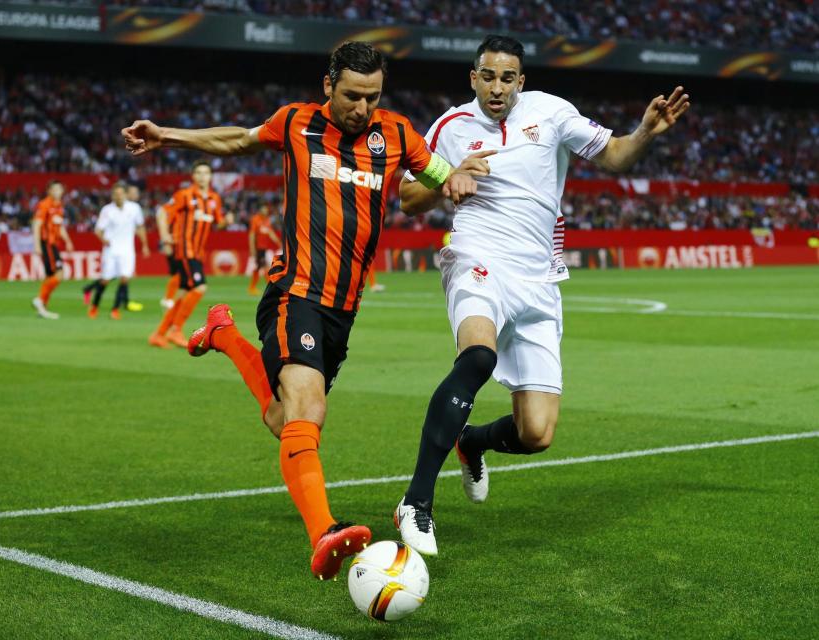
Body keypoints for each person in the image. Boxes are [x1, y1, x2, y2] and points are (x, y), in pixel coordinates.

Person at [122, 41, 479, 580]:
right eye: (353, 96)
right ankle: (324, 533)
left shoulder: (397, 134)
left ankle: (222, 335)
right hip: (296, 292)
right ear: (328, 86)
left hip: (343, 308)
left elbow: (435, 176)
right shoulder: (297, 123)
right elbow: (238, 140)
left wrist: (454, 177)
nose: (363, 108)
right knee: (309, 408)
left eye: (373, 97)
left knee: (282, 418)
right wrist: (166, 135)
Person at [394, 34, 690, 555]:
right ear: (474, 78)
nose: (497, 87)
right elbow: (407, 197)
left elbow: (615, 156)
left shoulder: (552, 113)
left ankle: (472, 440)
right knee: (477, 356)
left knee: (536, 434)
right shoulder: (450, 127)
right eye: (488, 76)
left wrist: (645, 131)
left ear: (521, 82)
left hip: (538, 280)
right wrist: (447, 179)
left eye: (507, 78)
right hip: (478, 258)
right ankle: (416, 501)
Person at [148, 160, 233, 348]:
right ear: (193, 176)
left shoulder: (214, 199)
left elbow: (218, 223)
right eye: (199, 173)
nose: (202, 176)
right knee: (200, 287)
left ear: (210, 177)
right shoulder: (184, 195)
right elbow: (162, 212)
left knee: (185, 292)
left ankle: (159, 334)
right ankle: (176, 329)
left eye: (206, 173)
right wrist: (165, 236)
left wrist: (226, 222)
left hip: (198, 252)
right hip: (185, 249)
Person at [86, 182, 150, 319]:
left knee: (124, 279)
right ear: (112, 196)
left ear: (126, 194)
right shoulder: (107, 210)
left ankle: (115, 309)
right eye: (115, 194)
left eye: (121, 194)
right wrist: (104, 240)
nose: (118, 196)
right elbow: (98, 230)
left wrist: (145, 244)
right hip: (111, 250)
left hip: (127, 250)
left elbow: (140, 226)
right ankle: (94, 306)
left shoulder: (134, 208)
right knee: (105, 280)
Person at [31, 181, 74, 320]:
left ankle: (42, 307)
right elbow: (37, 225)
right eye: (54, 189)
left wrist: (67, 240)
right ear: (49, 191)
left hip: (53, 244)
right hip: (47, 243)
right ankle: (40, 300)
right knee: (59, 274)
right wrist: (37, 245)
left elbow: (59, 226)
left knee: (51, 276)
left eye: (59, 189)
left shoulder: (59, 206)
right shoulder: (44, 204)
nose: (57, 192)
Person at [247, 201, 281, 295]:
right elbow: (252, 235)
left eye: (266, 209)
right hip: (258, 247)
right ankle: (266, 288)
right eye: (264, 208)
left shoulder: (267, 220)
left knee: (259, 267)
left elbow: (270, 233)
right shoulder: (255, 219)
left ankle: (252, 287)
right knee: (264, 266)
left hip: (264, 248)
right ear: (260, 210)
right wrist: (252, 248)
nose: (265, 210)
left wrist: (278, 242)